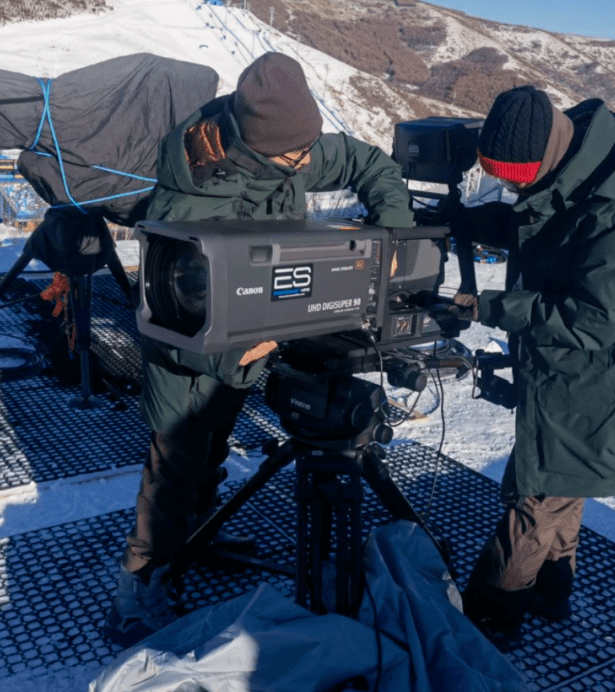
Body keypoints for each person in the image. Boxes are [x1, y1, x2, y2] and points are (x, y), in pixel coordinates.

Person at [107, 52, 415, 647]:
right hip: (191, 355)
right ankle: (137, 592)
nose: (307, 164)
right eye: (294, 158)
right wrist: (234, 358)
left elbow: (368, 163)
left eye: (307, 152)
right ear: (253, 147)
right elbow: (168, 321)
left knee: (213, 446)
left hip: (251, 338)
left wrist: (392, 231)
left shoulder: (291, 146)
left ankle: (202, 535)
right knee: (173, 468)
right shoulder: (191, 199)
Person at [454, 85, 615, 643]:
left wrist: (491, 307)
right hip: (569, 382)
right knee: (560, 492)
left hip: (595, 392)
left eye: (515, 178)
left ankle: (488, 623)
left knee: (533, 504)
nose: (509, 188)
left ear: (547, 159)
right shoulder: (580, 176)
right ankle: (550, 597)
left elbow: (593, 318)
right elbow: (543, 225)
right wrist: (468, 222)